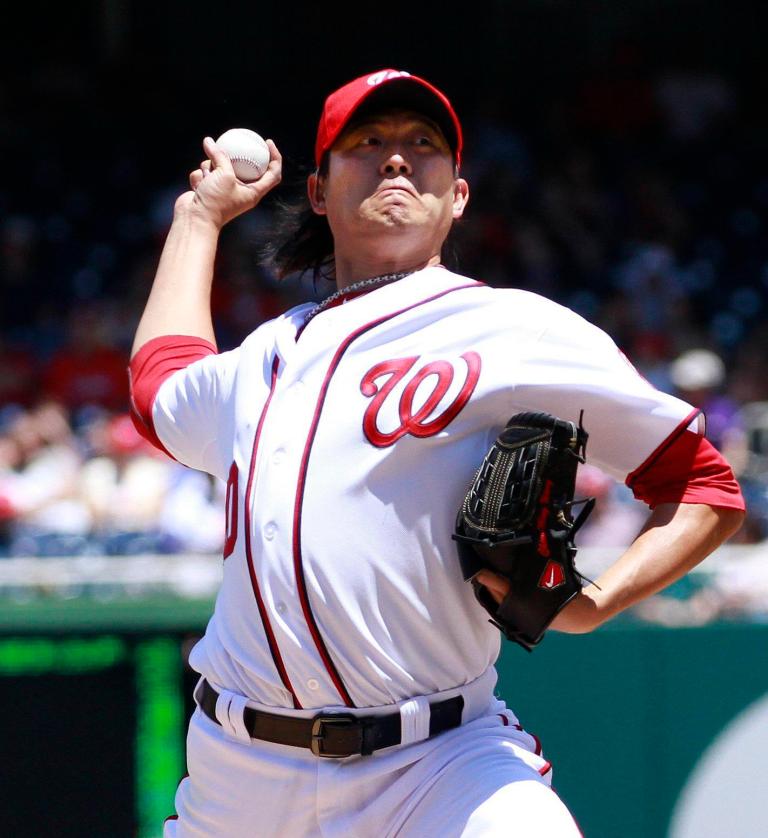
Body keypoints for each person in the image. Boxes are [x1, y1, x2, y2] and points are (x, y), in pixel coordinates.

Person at [129, 69, 745, 837]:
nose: (396, 159)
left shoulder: (516, 329)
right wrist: (198, 218)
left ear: (457, 195)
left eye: (423, 145)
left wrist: (594, 605)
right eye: (368, 142)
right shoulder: (264, 353)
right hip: (241, 775)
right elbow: (160, 392)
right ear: (318, 192)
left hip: (439, 763)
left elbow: (703, 485)